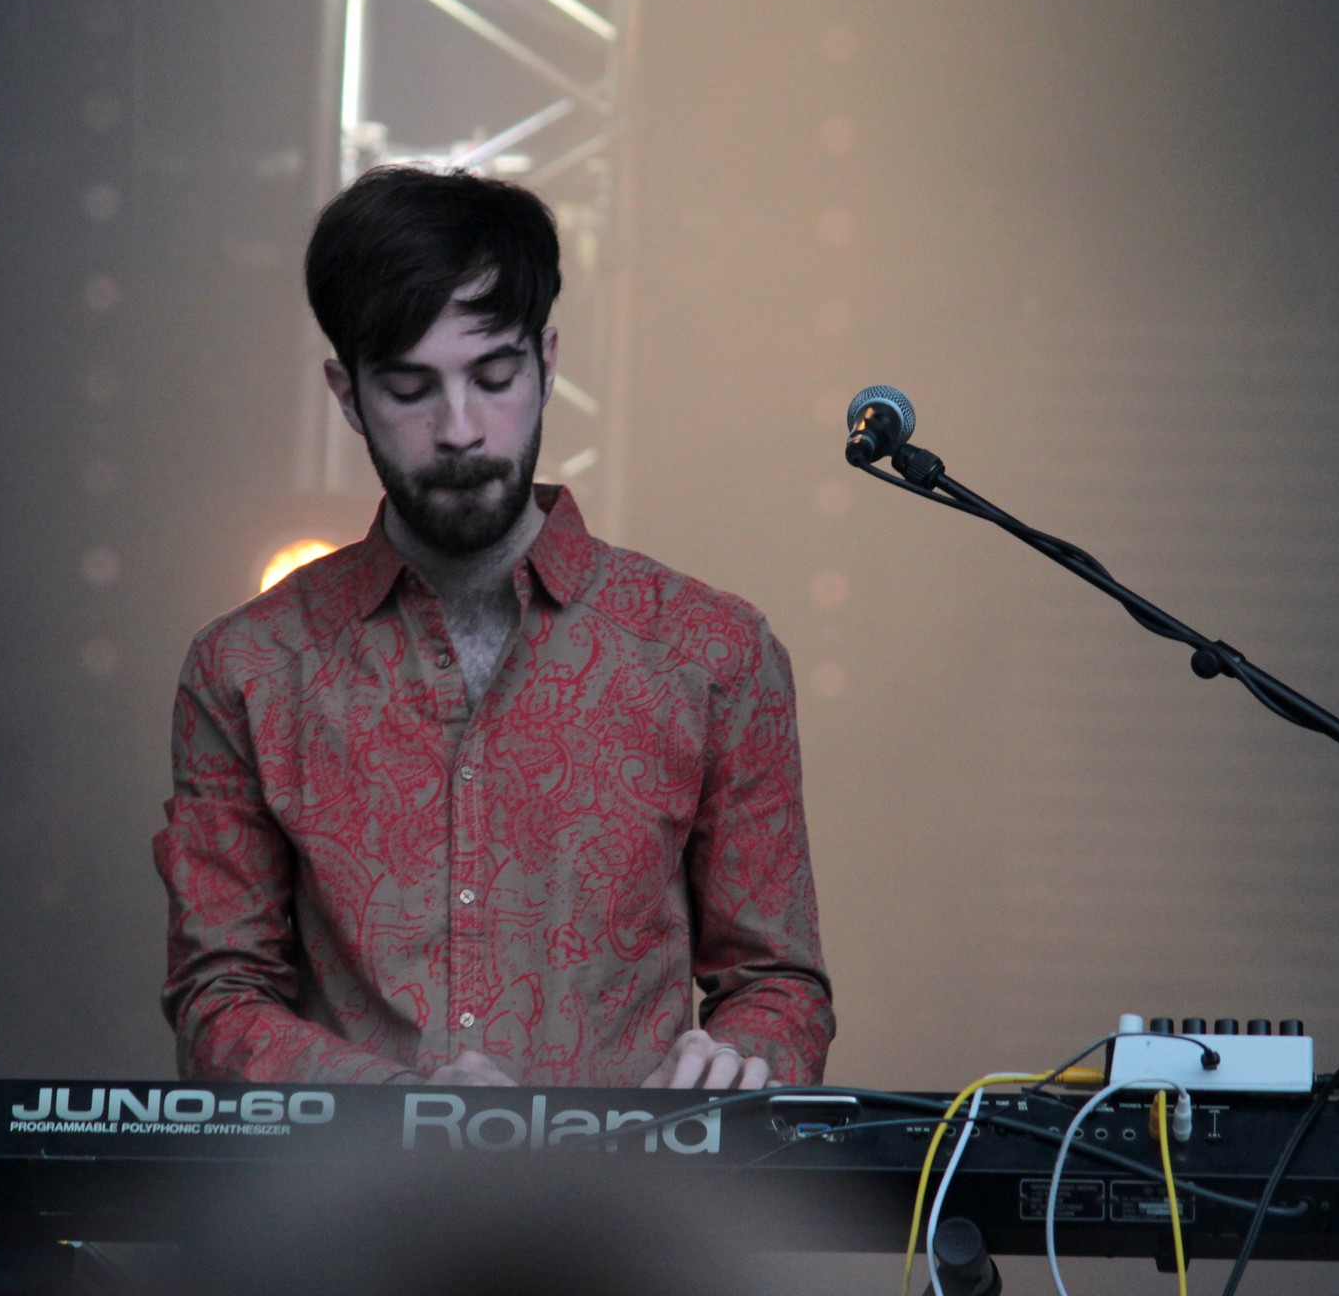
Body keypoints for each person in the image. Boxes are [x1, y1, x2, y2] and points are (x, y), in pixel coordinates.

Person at [154, 166, 832, 1090]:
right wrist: (409, 1113)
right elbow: (220, 1000)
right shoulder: (247, 669)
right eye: (410, 389)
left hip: (625, 1186)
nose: (461, 429)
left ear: (547, 365)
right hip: (351, 1189)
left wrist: (740, 1058)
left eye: (495, 376)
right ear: (347, 395)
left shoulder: (714, 653)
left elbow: (779, 985)